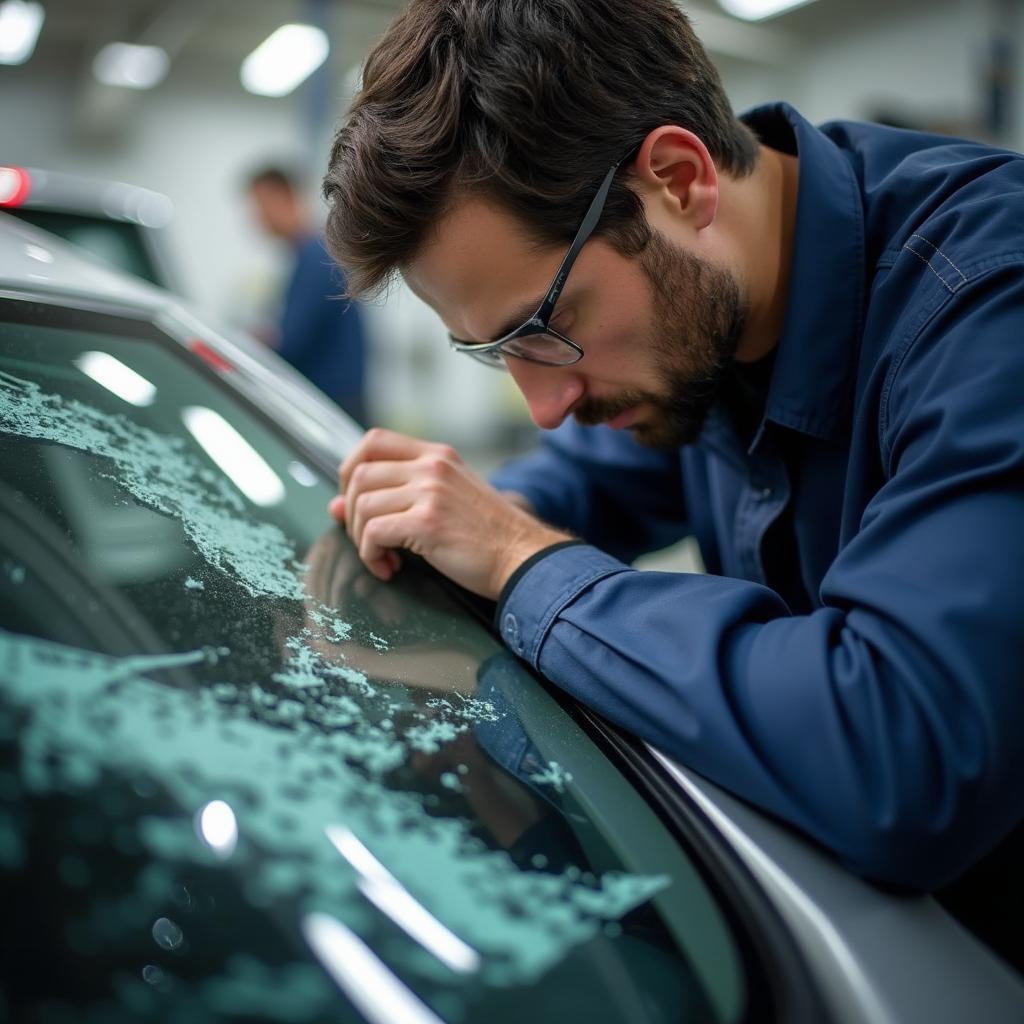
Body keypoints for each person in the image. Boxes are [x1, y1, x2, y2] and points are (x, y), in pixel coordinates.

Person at [319, 0, 1024, 893]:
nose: (542, 404)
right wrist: (450, 529)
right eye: (495, 351)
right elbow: (583, 479)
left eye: (546, 326)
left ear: (680, 179)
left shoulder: (990, 302)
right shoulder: (707, 308)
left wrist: (518, 559)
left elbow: (907, 754)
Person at [247, 166, 368, 424]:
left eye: (260, 205)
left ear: (285, 198)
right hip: (338, 398)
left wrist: (250, 343)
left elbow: (292, 342)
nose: (256, 218)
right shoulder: (316, 252)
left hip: (332, 403)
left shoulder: (315, 258)